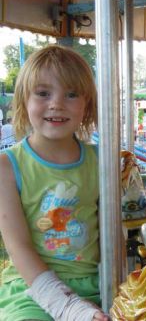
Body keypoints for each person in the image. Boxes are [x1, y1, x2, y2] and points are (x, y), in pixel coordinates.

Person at [0, 45, 109, 321]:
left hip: (99, 284)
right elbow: (18, 246)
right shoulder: (7, 166)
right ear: (24, 100)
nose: (57, 104)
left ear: (87, 105)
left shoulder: (103, 162)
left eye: (71, 94)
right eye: (43, 93)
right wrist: (67, 306)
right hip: (32, 288)